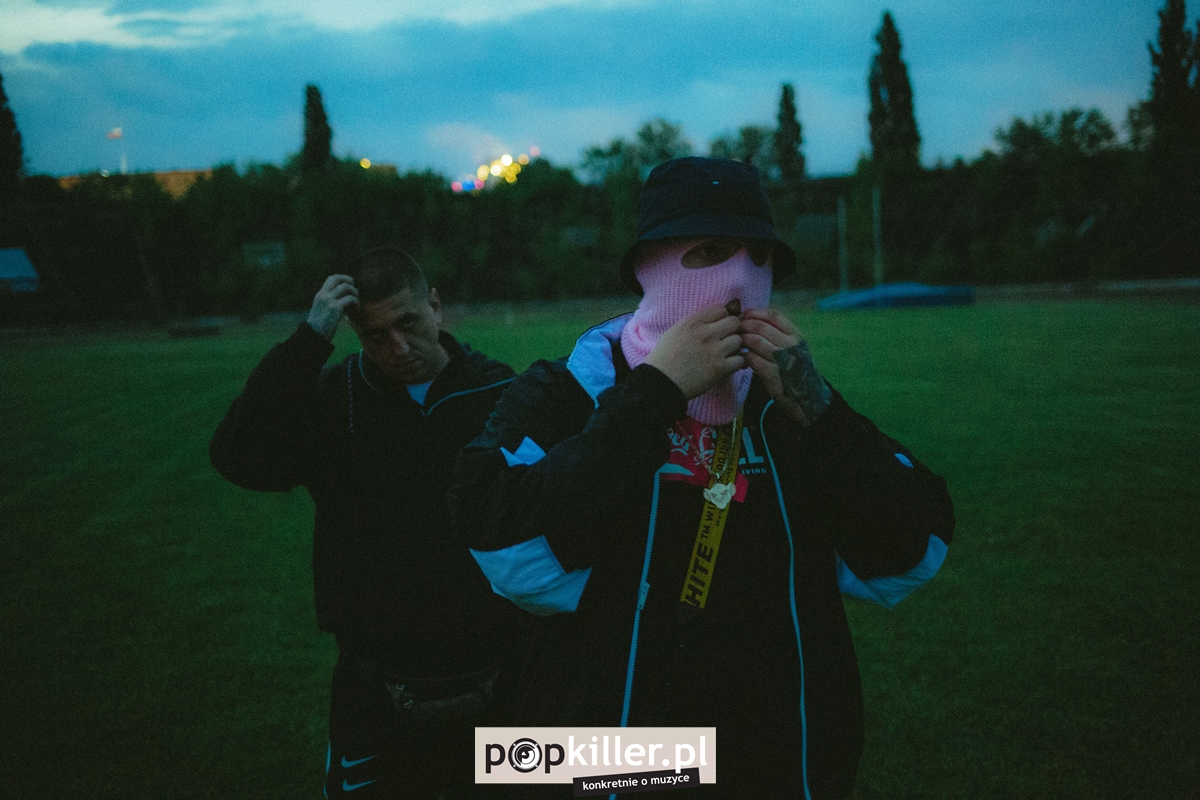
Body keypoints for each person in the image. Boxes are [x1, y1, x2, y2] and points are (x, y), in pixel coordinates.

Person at [449, 158, 956, 799]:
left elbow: (913, 550)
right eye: (710, 252)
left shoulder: (789, 401)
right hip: (615, 749)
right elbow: (489, 525)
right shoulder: (569, 389)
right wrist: (654, 395)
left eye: (760, 256)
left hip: (777, 752)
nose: (740, 280)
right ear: (648, 264)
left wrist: (824, 413)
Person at [210, 246, 517, 799]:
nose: (398, 348)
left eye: (409, 323)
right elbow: (239, 457)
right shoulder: (336, 398)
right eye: (375, 336)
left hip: (497, 673)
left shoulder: (497, 392)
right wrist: (310, 338)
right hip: (375, 684)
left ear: (435, 306)